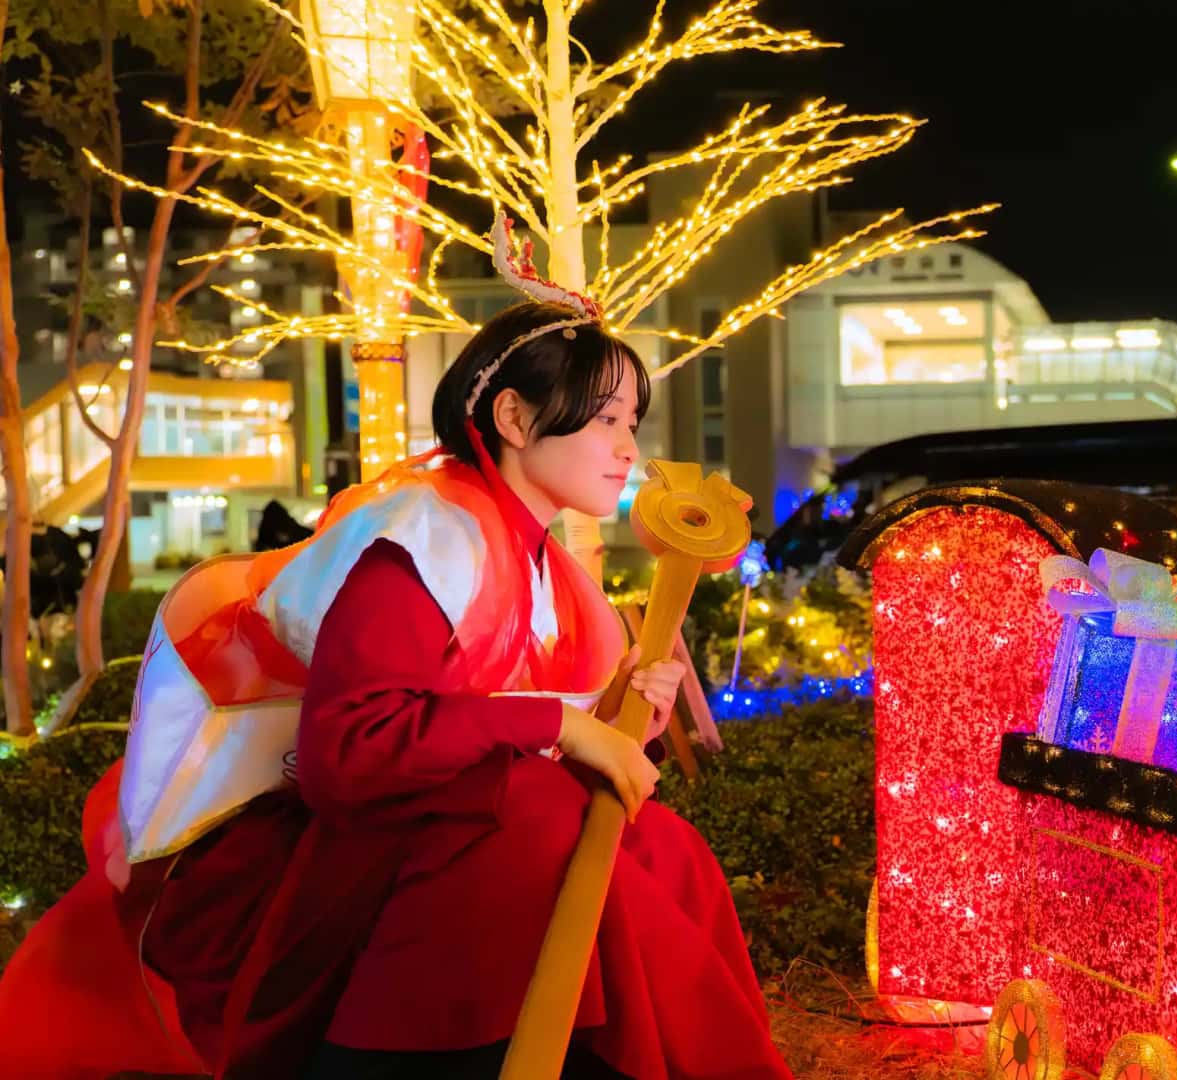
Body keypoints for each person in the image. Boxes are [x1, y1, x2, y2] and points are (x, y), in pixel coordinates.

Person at [0, 236, 792, 1079]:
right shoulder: (421, 533)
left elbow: (516, 722)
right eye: (603, 419)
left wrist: (625, 715)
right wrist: (558, 724)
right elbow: (350, 755)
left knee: (660, 849)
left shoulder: (541, 561)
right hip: (311, 854)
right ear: (516, 419)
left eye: (631, 423)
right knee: (533, 812)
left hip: (428, 833)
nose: (628, 447)